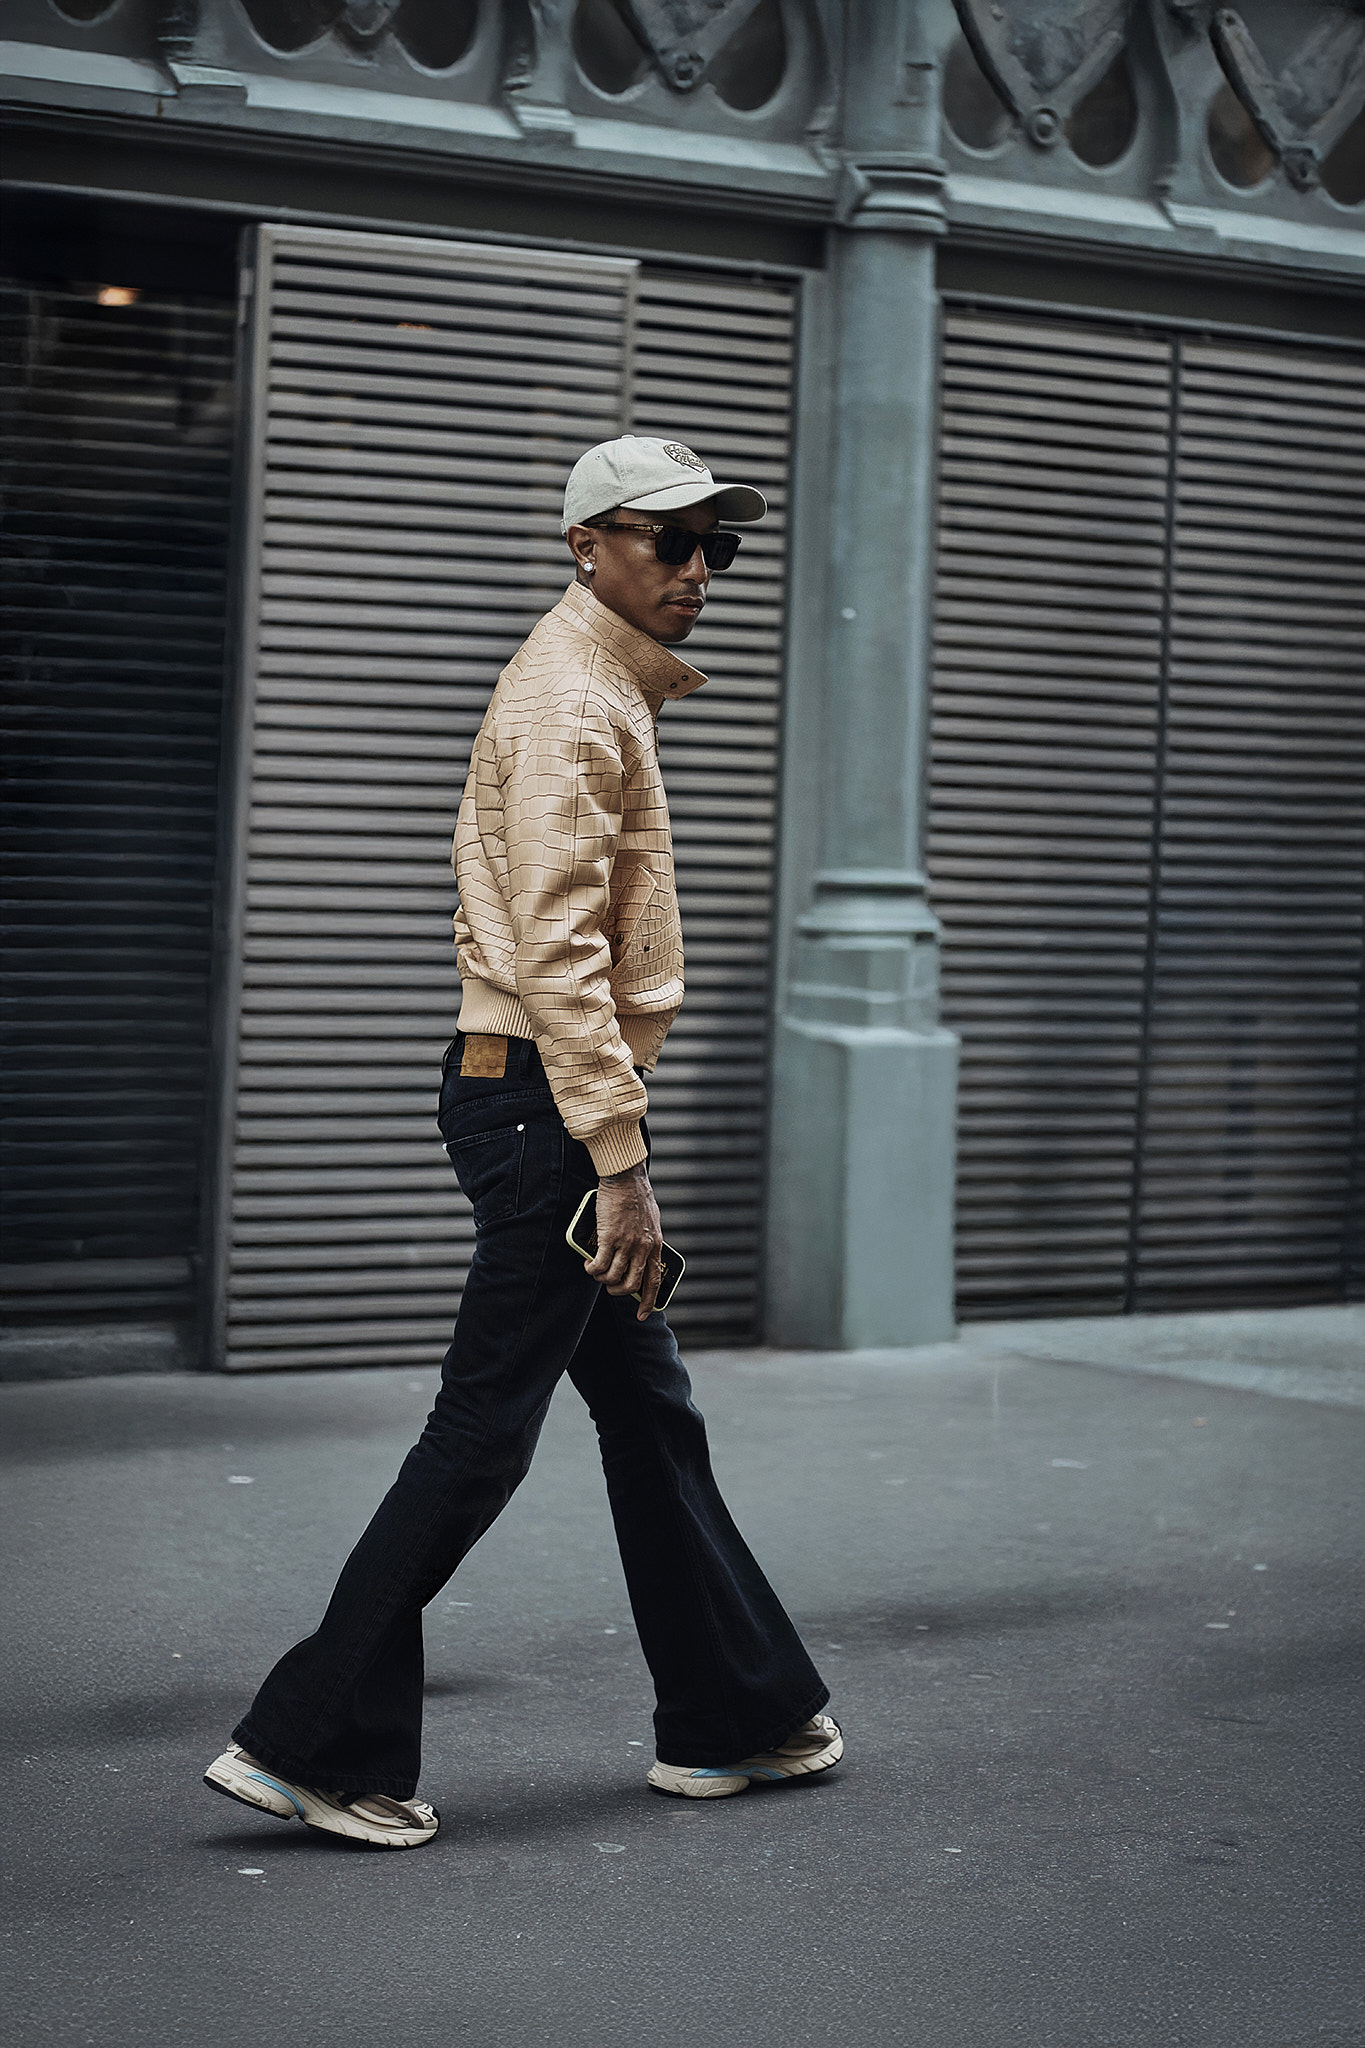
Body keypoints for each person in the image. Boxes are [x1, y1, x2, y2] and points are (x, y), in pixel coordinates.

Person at [203, 435, 840, 1849]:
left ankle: (733, 1717)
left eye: (717, 545)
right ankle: (310, 1743)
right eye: (667, 539)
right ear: (585, 546)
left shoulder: (604, 687)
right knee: (485, 1427)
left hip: (545, 1096)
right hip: (545, 1105)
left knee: (649, 1416)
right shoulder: (569, 701)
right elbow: (556, 951)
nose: (698, 568)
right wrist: (620, 1159)